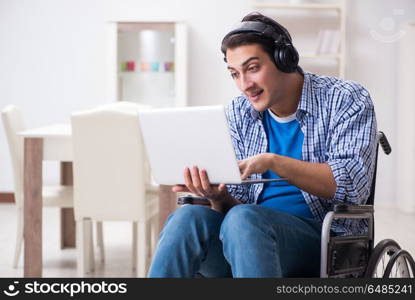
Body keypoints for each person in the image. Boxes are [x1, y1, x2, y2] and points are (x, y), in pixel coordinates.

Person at [148, 12, 377, 278]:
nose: (244, 85)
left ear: (284, 59)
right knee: (185, 218)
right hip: (244, 239)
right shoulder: (238, 112)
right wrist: (217, 196)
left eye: (253, 68)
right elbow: (234, 208)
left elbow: (351, 186)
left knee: (245, 219)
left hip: (324, 242)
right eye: (235, 74)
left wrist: (273, 161)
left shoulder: (345, 98)